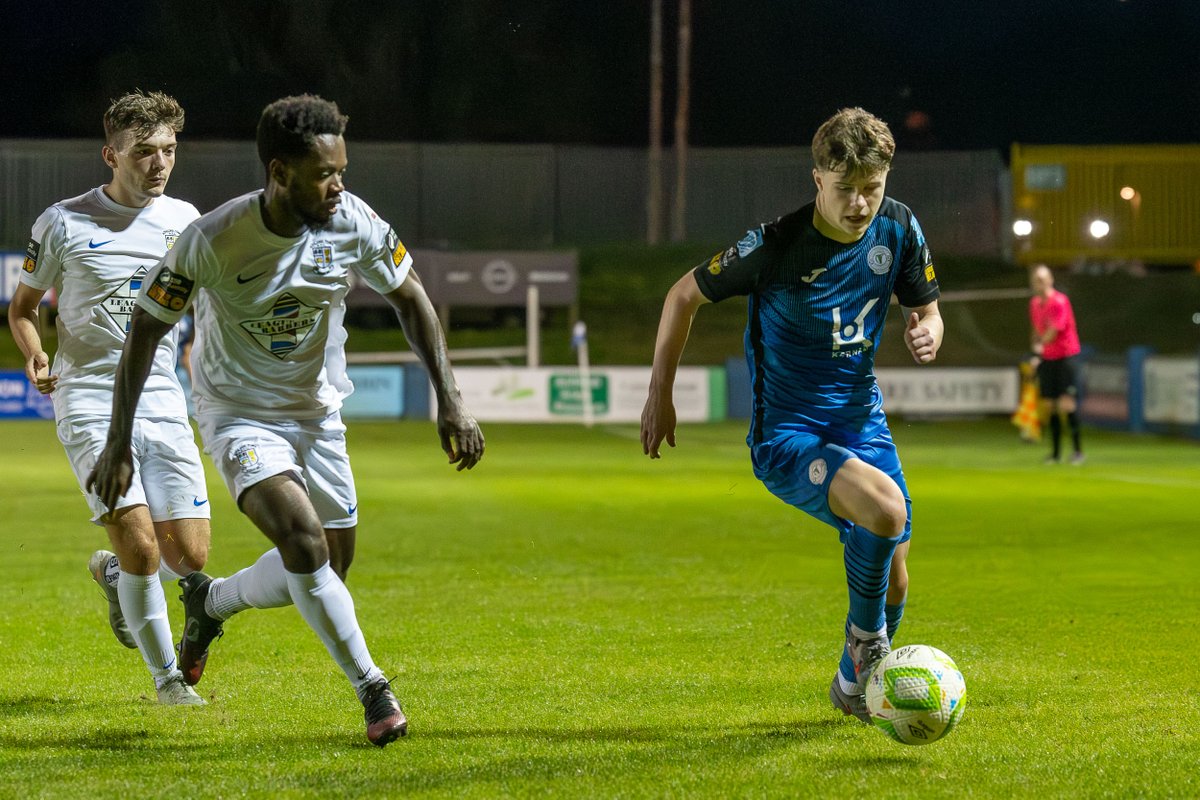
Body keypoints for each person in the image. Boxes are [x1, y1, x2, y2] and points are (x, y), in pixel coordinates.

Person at [87, 94, 485, 747]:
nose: (339, 186)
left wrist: (451, 398)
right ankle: (373, 690)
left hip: (319, 412)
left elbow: (411, 298)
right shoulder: (213, 238)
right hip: (237, 413)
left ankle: (210, 605)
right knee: (304, 544)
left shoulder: (353, 220)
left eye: (342, 170)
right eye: (324, 173)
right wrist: (118, 442)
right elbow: (145, 330)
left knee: (330, 565)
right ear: (279, 172)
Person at [640, 107, 943, 724]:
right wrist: (659, 394)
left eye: (871, 189)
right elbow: (682, 295)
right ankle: (868, 653)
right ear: (817, 179)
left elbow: (929, 308)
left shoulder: (900, 228)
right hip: (789, 435)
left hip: (863, 422)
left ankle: (852, 687)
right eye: (845, 190)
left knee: (899, 580)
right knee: (886, 510)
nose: (859, 204)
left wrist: (929, 329)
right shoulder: (774, 245)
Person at [7, 90, 211, 705]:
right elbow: (21, 310)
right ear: (111, 154)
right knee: (145, 544)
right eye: (144, 152)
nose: (160, 164)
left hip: (162, 401)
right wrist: (36, 355)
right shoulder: (63, 222)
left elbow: (202, 302)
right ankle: (168, 682)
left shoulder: (185, 219)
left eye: (169, 151)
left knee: (190, 557)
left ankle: (117, 574)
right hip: (90, 400)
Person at [1029, 264, 1083, 464]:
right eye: (1037, 281)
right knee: (1050, 405)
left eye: (1043, 280)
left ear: (1051, 280)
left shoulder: (1060, 301)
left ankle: (1078, 451)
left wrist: (1039, 349)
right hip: (1048, 359)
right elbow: (1036, 330)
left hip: (1065, 357)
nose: (1040, 284)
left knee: (1067, 404)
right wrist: (1034, 353)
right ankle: (1056, 454)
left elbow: (1053, 330)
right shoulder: (1035, 303)